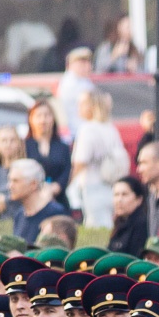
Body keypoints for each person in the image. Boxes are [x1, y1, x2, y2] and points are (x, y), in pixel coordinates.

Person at [68, 89, 128, 227]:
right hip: (111, 186)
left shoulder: (87, 129)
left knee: (96, 228)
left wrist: (70, 183)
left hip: (92, 187)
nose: (79, 107)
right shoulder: (110, 127)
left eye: (82, 103)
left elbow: (80, 162)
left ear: (92, 106)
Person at [7, 159, 70, 244]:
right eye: (10, 180)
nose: (10, 186)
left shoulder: (56, 213)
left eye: (16, 181)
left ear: (33, 184)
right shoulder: (19, 215)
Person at [25, 101, 72, 196]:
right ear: (30, 119)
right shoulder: (24, 146)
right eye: (38, 116)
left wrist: (57, 186)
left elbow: (67, 171)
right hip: (31, 197)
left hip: (57, 198)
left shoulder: (63, 147)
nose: (43, 120)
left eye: (47, 115)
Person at [56, 47, 97, 138]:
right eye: (82, 62)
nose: (87, 66)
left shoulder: (84, 80)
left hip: (86, 130)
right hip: (76, 132)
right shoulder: (70, 82)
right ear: (71, 64)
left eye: (88, 62)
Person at [106, 176, 149, 255]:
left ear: (139, 199)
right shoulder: (119, 223)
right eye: (116, 195)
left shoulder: (141, 225)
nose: (119, 200)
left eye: (124, 195)